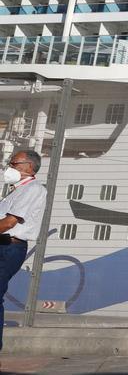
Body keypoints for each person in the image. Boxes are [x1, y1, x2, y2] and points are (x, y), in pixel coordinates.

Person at [0, 150, 47, 356]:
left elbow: (10, 222)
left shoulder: (33, 189)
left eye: (14, 163)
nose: (9, 167)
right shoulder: (16, 190)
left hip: (9, 247)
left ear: (29, 166)